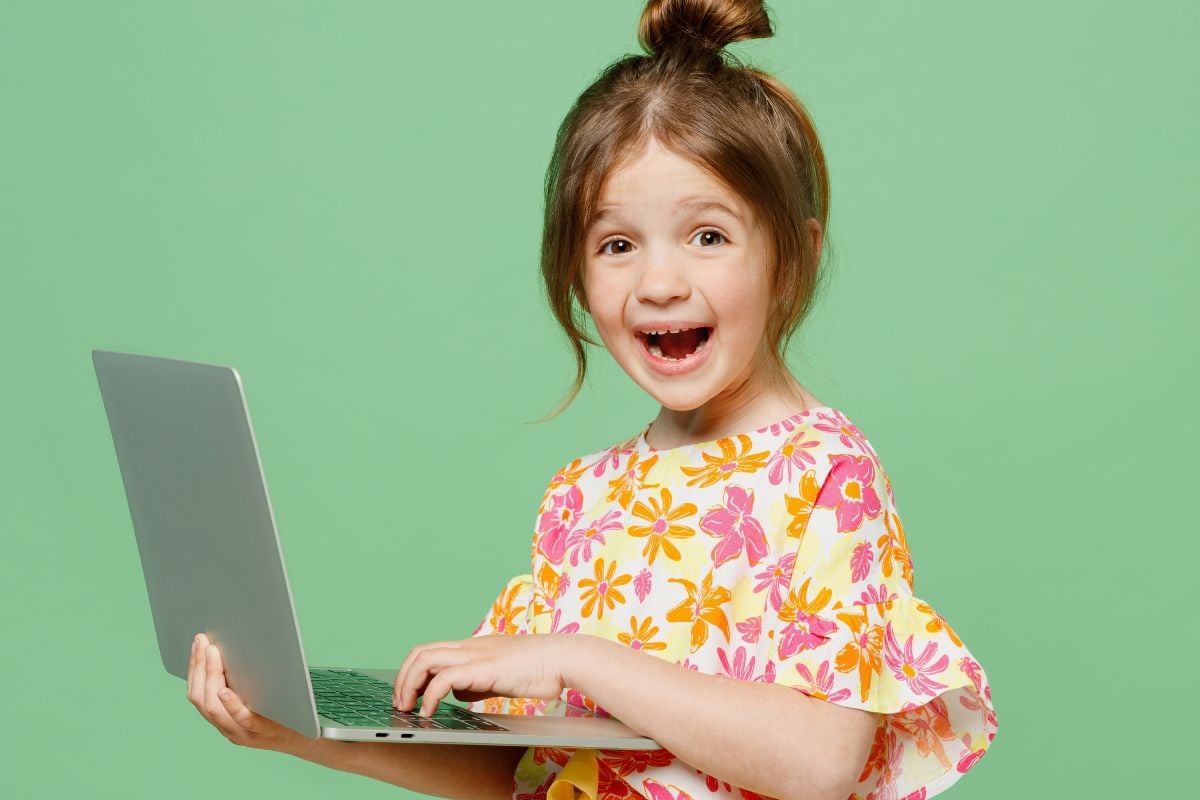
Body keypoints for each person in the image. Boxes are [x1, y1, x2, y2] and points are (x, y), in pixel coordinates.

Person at [187, 1, 999, 798]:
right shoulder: (584, 499)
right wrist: (294, 729)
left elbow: (820, 761)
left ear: (795, 257)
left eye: (708, 235)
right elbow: (511, 767)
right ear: (575, 272)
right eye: (617, 245)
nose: (658, 283)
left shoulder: (827, 476)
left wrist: (578, 656)